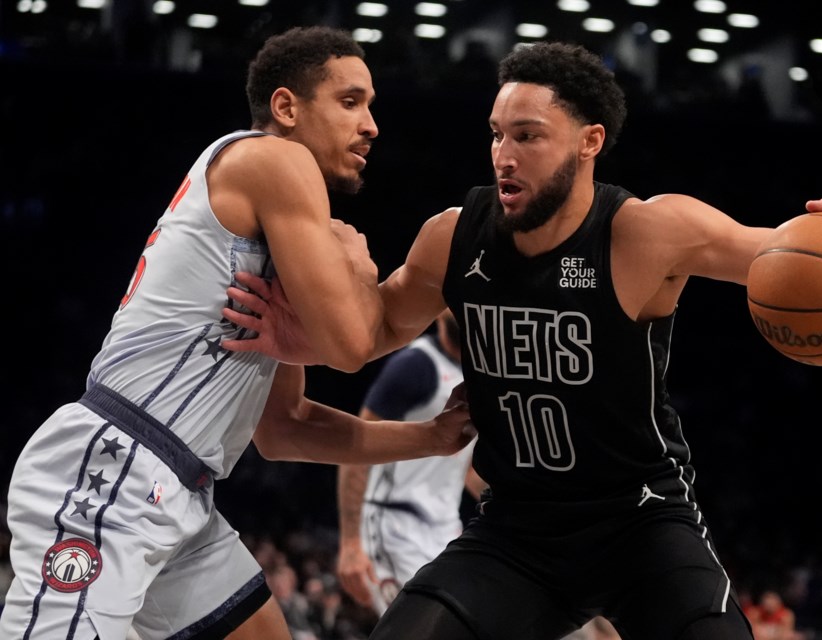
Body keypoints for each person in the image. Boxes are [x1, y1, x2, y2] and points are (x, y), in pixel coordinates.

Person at [223, 41, 822, 639]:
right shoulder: (451, 237)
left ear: (590, 141)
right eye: (496, 134)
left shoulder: (647, 232)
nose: (504, 155)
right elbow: (368, 333)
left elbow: (781, 252)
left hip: (642, 522)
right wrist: (296, 335)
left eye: (527, 136)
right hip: (517, 530)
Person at [0, 26, 474, 640]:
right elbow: (354, 344)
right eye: (351, 101)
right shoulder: (272, 159)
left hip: (178, 493)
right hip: (116, 466)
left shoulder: (270, 250)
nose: (372, 125)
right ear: (286, 107)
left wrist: (431, 438)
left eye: (372, 105)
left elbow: (285, 428)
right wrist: (358, 265)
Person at [337, 308, 485, 617]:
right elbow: (355, 447)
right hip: (392, 526)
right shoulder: (415, 364)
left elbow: (469, 472)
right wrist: (351, 542)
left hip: (445, 529)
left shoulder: (483, 373)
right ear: (438, 311)